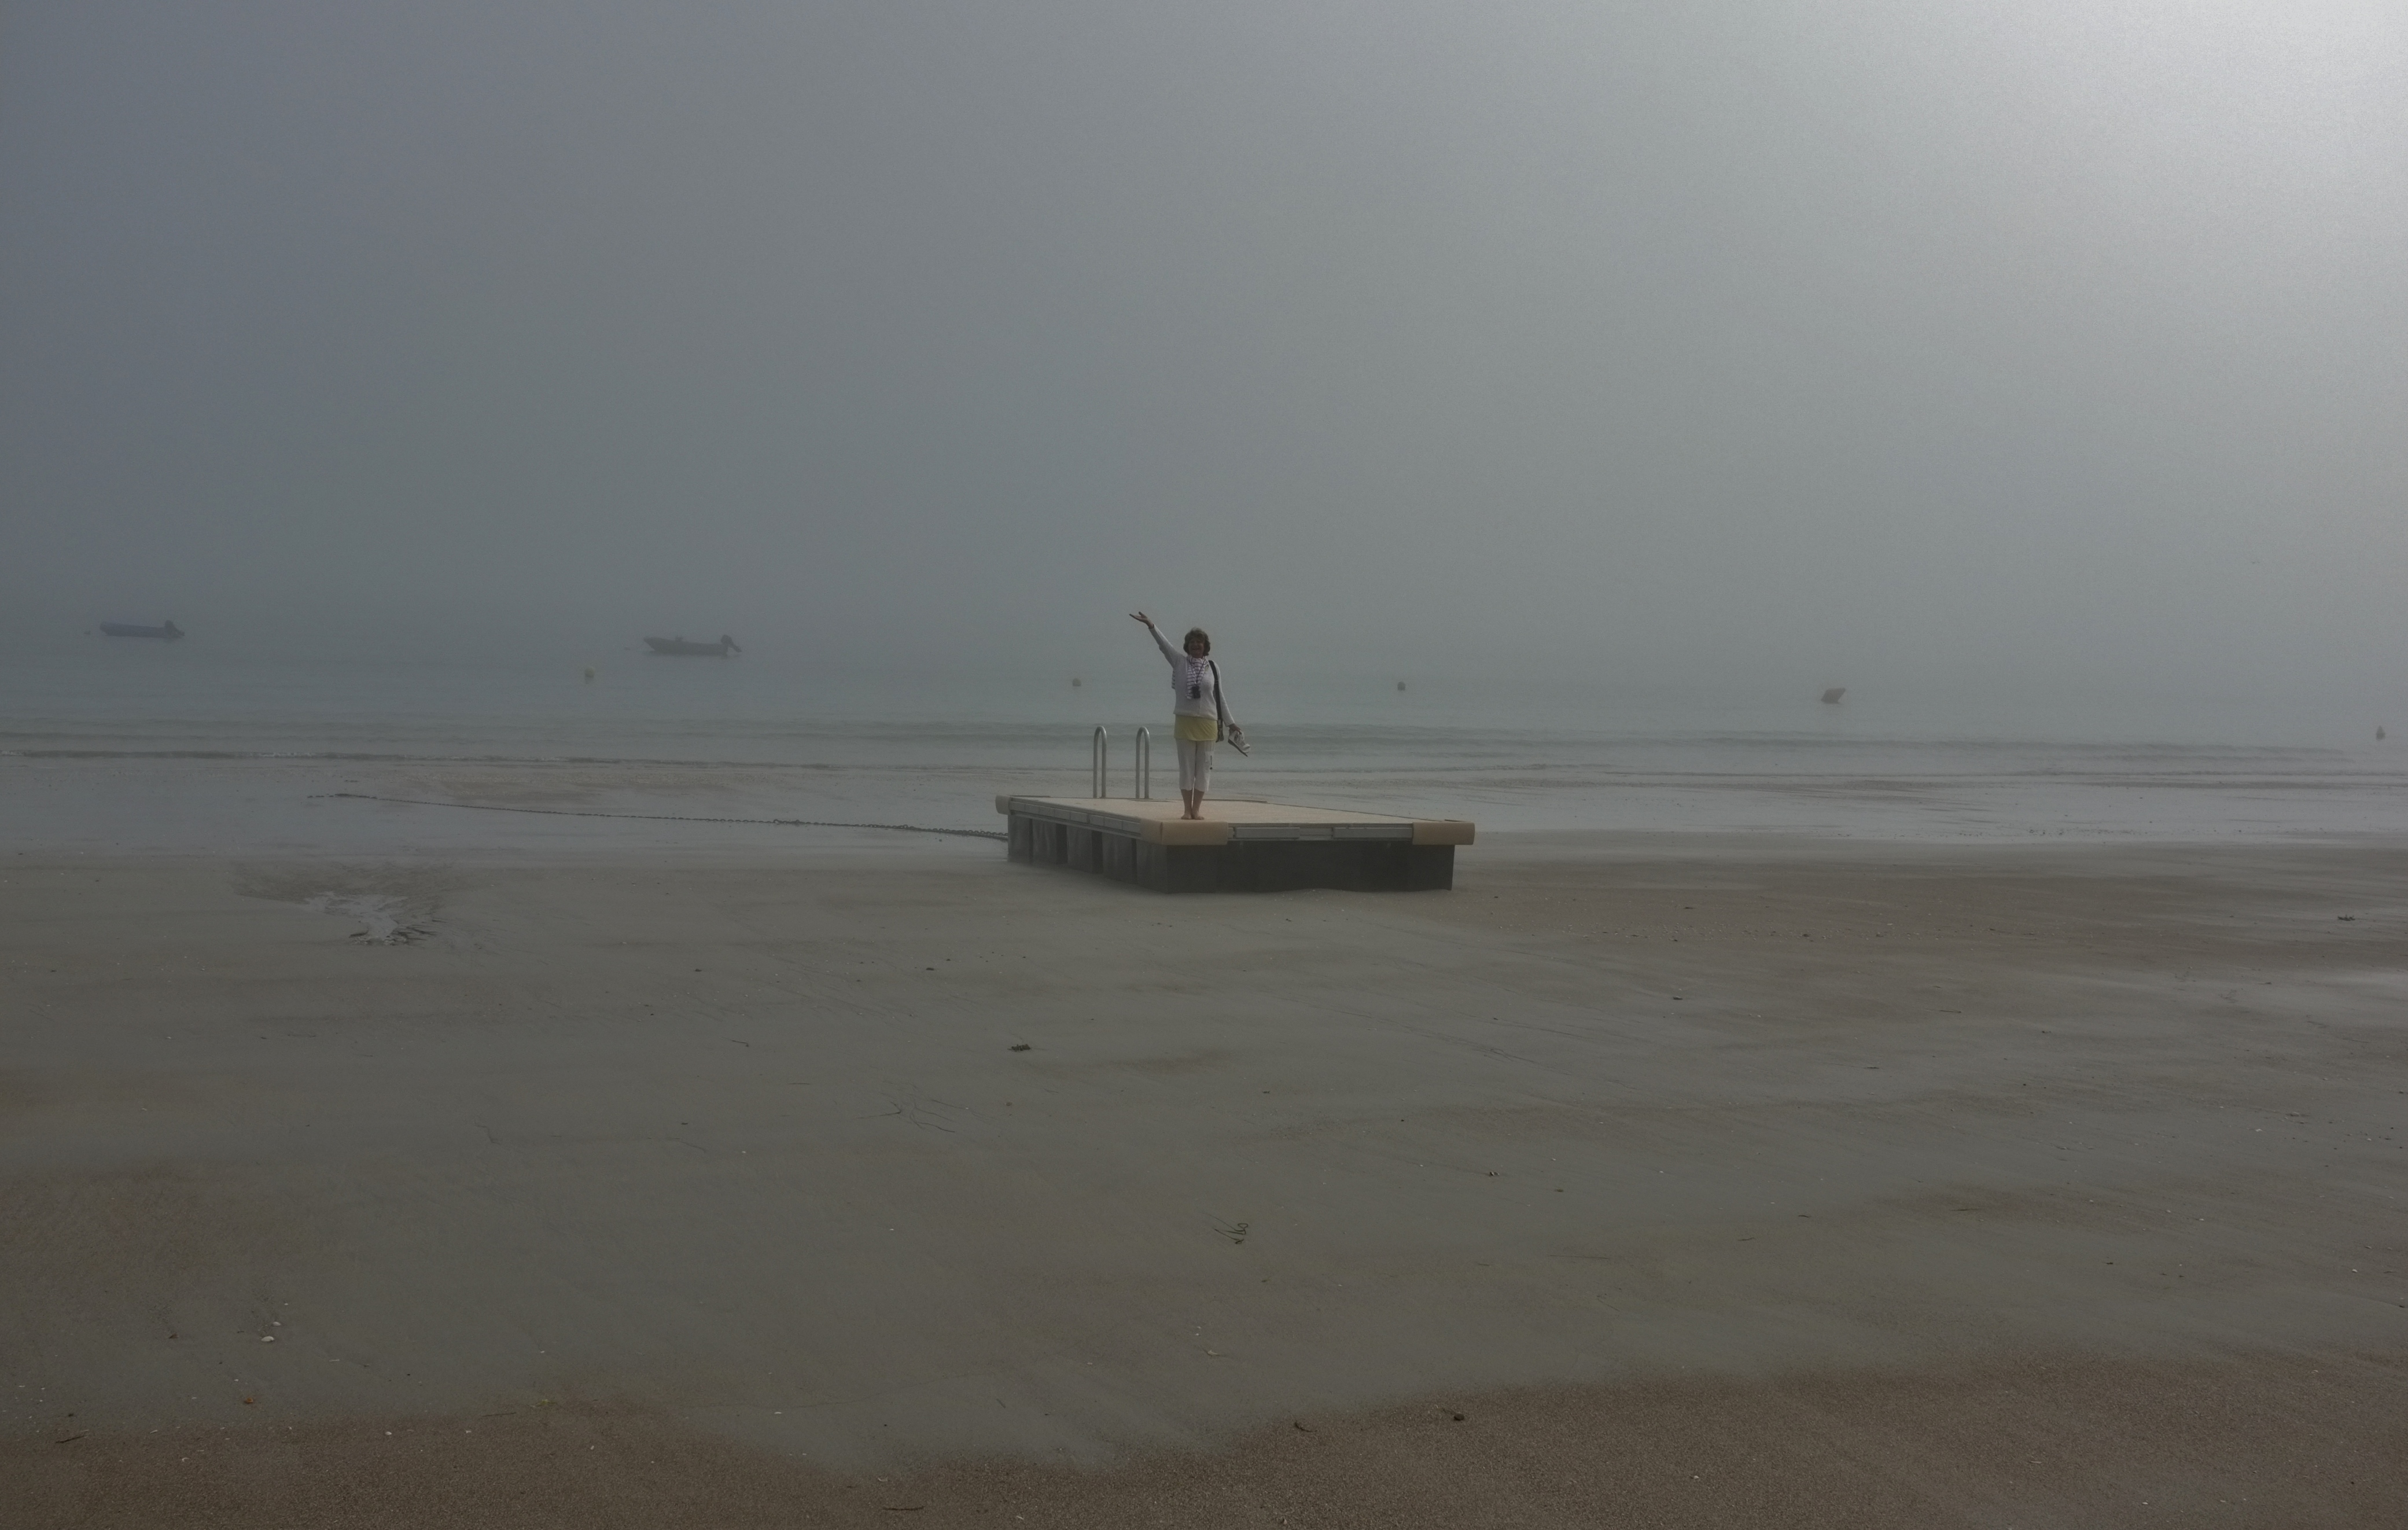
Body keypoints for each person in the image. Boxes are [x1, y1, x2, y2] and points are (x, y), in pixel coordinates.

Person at [1131, 611, 1228, 819]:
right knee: (1186, 769)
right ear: (1187, 646)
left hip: (1208, 724)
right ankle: (1187, 810)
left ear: (1205, 646)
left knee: (1203, 770)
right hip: (1185, 723)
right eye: (1192, 642)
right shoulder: (1179, 663)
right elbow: (1164, 646)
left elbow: (1219, 697)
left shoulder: (1213, 668)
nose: (1196, 645)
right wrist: (1151, 626)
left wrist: (1232, 723)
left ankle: (1197, 809)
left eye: (1199, 642)